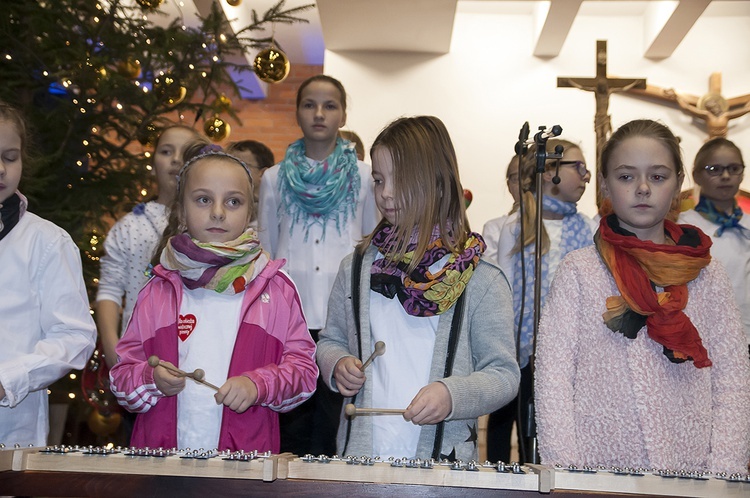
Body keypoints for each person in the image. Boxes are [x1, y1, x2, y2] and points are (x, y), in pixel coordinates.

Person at [535, 119, 750, 474]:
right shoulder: (580, 271)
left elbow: (732, 376)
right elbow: (553, 377)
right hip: (598, 468)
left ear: (680, 183)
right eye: (626, 176)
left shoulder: (707, 273)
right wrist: (565, 469)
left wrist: (724, 468)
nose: (643, 188)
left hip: (692, 469)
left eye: (658, 176)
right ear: (604, 183)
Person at [316, 116, 520, 461]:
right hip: (361, 458)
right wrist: (337, 363)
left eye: (401, 180)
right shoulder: (356, 268)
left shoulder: (482, 279)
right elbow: (331, 339)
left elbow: (504, 374)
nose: (386, 193)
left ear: (440, 183)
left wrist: (452, 394)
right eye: (379, 180)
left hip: (442, 468)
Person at [109, 148, 318, 452]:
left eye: (233, 201)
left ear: (250, 214)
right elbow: (121, 377)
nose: (218, 212)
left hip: (244, 467)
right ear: (181, 211)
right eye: (204, 199)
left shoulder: (275, 288)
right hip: (162, 464)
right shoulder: (158, 289)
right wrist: (151, 378)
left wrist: (259, 385)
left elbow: (304, 373)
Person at [258, 74, 378, 456]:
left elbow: (372, 247)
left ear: (343, 114)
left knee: (334, 423)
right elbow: (265, 251)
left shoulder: (364, 176)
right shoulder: (274, 179)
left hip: (341, 318)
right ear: (297, 112)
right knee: (291, 422)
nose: (319, 113)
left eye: (330, 105)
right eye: (309, 104)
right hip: (289, 317)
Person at [491, 139, 597, 463]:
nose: (587, 175)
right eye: (577, 168)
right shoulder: (517, 226)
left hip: (572, 350)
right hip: (524, 350)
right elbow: (505, 290)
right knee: (526, 430)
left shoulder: (589, 228)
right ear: (549, 170)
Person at [0, 101, 96, 446]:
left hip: (10, 431)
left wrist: (9, 378)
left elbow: (75, 336)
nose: (1, 169)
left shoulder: (47, 242)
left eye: (10, 158)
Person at [96, 124, 201, 369]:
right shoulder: (129, 227)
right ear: (153, 163)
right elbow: (109, 290)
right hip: (139, 358)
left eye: (186, 153)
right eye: (166, 152)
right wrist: (113, 348)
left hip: (197, 357)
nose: (176, 159)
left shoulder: (208, 224)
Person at [679, 138, 750, 355]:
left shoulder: (747, 224)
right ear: (697, 174)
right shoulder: (684, 226)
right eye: (714, 169)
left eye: (733, 168)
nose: (726, 176)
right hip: (703, 337)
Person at [482, 155, 522, 267]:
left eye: (529, 176)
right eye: (517, 178)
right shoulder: (494, 228)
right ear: (509, 185)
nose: (524, 184)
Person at [226, 140, 275, 226]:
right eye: (228, 165)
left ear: (263, 173)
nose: (231, 171)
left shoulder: (275, 210)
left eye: (242, 165)